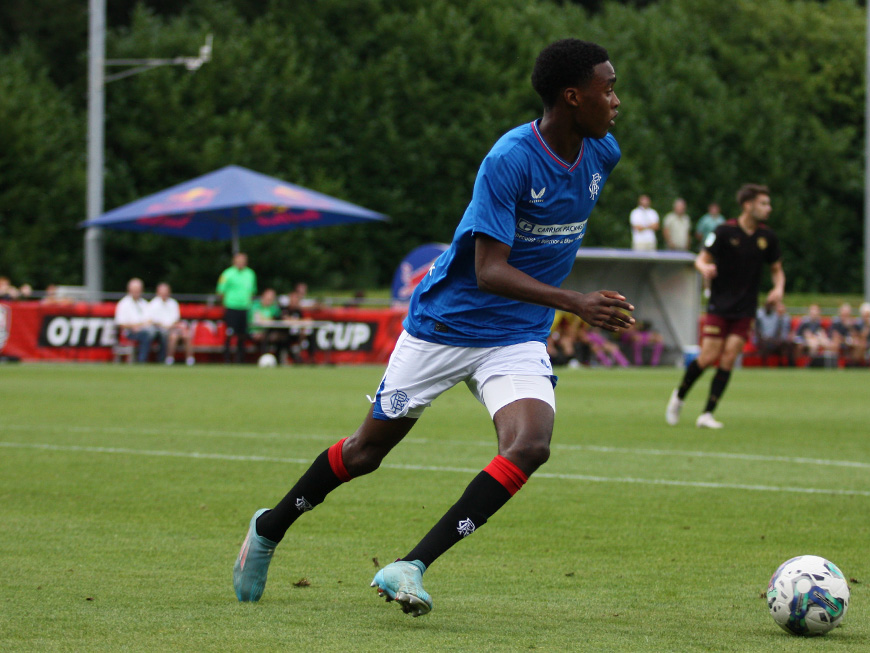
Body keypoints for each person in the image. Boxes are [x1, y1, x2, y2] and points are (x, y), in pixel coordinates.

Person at [232, 38, 632, 616]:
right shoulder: (509, 159)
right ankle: (270, 527)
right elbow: (489, 269)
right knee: (366, 452)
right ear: (573, 97)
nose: (616, 100)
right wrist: (575, 301)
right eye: (608, 87)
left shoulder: (603, 153)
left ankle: (411, 565)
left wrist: (558, 304)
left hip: (516, 334)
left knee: (531, 445)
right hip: (445, 325)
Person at [665, 184, 784, 428]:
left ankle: (707, 413)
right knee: (708, 357)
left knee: (729, 358)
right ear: (748, 205)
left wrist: (778, 288)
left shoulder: (767, 237)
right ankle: (679, 396)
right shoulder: (723, 231)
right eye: (763, 203)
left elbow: (777, 270)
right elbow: (701, 258)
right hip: (720, 305)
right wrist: (704, 268)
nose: (768, 208)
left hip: (746, 308)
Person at [217, 252, 257, 363]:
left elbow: (252, 291)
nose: (241, 263)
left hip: (244, 308)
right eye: (239, 260)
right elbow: (220, 292)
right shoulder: (227, 274)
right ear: (234, 261)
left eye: (243, 260)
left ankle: (240, 359)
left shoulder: (250, 274)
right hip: (231, 307)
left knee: (242, 334)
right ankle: (227, 358)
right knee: (229, 333)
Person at [114, 278, 161, 363]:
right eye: (134, 290)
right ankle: (142, 361)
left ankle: (162, 360)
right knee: (147, 335)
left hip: (144, 329)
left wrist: (143, 326)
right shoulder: (123, 304)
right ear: (129, 290)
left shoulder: (144, 303)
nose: (136, 292)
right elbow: (120, 323)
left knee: (161, 333)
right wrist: (135, 326)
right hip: (129, 332)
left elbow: (150, 319)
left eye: (138, 290)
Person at [148, 282, 195, 366]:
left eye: (166, 291)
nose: (164, 293)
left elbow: (176, 319)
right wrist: (168, 326)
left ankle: (190, 359)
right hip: (161, 329)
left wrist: (174, 326)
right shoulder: (153, 304)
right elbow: (154, 321)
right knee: (173, 336)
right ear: (158, 292)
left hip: (173, 327)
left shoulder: (173, 303)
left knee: (186, 335)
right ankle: (169, 358)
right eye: (162, 291)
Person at [755, 300, 793, 366]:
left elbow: (778, 330)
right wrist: (763, 338)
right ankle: (764, 364)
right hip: (762, 340)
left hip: (773, 340)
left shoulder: (777, 317)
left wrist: (774, 339)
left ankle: (784, 364)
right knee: (765, 345)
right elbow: (757, 330)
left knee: (784, 344)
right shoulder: (759, 316)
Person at [250, 288, 285, 360]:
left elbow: (280, 317)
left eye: (272, 299)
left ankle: (279, 360)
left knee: (283, 337)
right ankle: (264, 358)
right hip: (254, 330)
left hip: (268, 331)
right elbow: (256, 320)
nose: (270, 300)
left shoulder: (273, 307)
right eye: (268, 298)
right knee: (265, 336)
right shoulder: (255, 305)